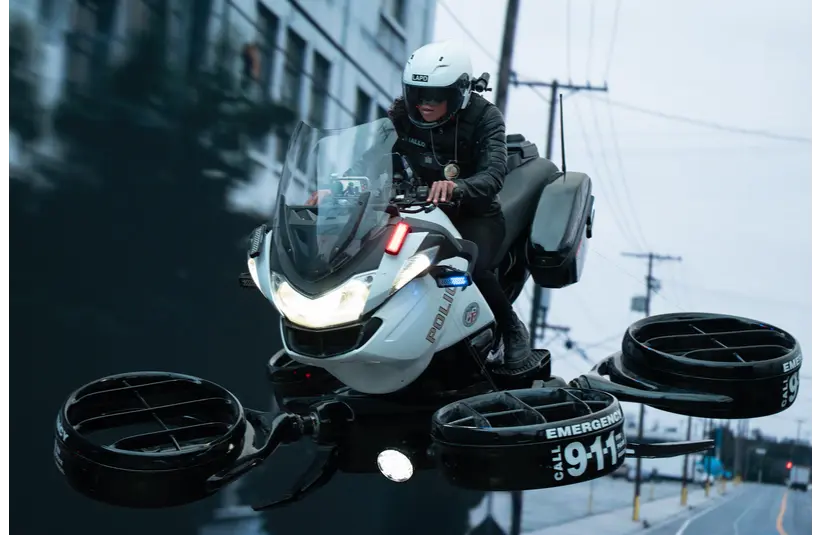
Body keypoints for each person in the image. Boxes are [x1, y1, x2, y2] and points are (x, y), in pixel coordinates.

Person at [385, 40, 532, 370]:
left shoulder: (485, 117)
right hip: (417, 209)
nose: (425, 104)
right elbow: (371, 154)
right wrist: (336, 187)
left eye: (437, 96)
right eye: (418, 94)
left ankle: (512, 329)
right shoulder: (399, 115)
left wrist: (458, 187)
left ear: (461, 92)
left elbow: (494, 174)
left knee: (469, 264)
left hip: (474, 215)